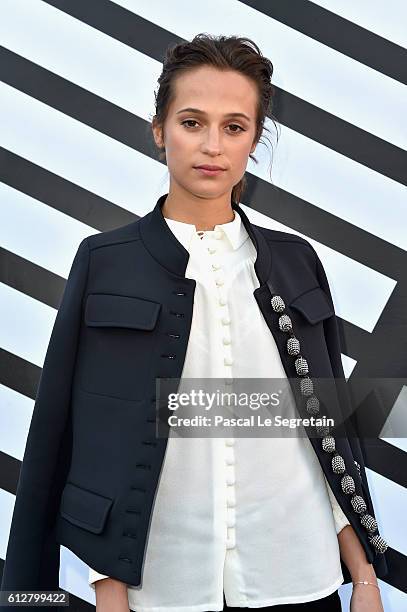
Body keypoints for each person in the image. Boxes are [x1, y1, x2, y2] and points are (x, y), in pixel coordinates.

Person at [87, 34, 386, 612]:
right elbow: (85, 436)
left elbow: (325, 430)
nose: (212, 147)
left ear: (254, 140)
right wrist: (108, 589)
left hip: (300, 573)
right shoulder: (104, 262)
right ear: (159, 129)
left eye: (234, 127)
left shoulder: (296, 261)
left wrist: (363, 575)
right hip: (164, 584)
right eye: (193, 122)